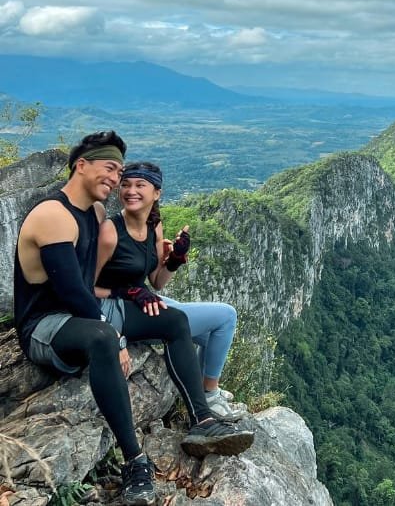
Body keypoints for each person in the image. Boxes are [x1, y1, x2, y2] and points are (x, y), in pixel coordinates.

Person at [13, 132, 253, 506]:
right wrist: (118, 334)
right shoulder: (52, 216)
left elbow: (131, 280)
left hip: (86, 315)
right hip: (45, 326)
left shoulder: (91, 212)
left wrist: (166, 265)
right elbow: (73, 291)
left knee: (174, 321)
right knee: (103, 339)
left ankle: (203, 421)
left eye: (120, 172)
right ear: (82, 165)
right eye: (110, 169)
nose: (116, 180)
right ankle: (135, 462)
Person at [94, 161, 244, 421]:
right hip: (111, 308)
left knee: (212, 338)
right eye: (126, 185)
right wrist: (126, 292)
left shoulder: (154, 226)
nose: (131, 191)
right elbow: (83, 286)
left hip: (139, 300)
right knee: (226, 316)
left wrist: (175, 258)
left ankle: (200, 390)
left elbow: (157, 282)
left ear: (157, 193)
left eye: (140, 185)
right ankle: (209, 396)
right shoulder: (109, 231)